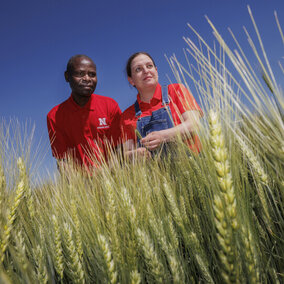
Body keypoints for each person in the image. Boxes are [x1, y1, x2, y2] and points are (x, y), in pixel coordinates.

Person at [120, 52, 203, 159]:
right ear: (131, 80)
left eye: (149, 66)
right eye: (138, 69)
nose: (146, 71)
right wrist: (134, 155)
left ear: (156, 71)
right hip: (155, 174)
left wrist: (163, 136)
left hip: (193, 167)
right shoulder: (127, 115)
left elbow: (194, 125)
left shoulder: (176, 90)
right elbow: (127, 152)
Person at [47, 54, 121, 170]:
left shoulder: (110, 105)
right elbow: (62, 161)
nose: (87, 78)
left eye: (92, 74)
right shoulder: (54, 116)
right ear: (67, 76)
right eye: (80, 74)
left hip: (113, 178)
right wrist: (78, 186)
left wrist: (108, 177)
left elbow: (119, 149)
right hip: (79, 184)